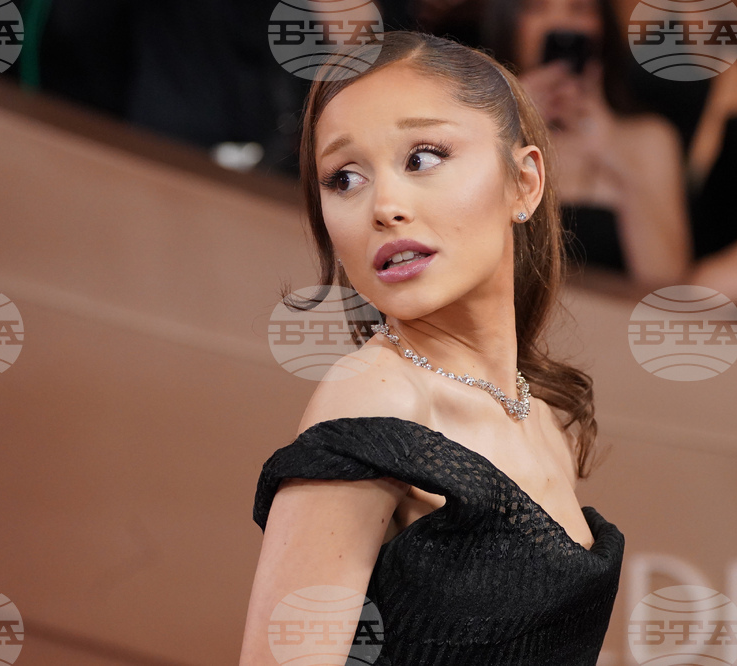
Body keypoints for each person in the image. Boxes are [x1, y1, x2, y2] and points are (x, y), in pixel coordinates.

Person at [239, 31, 624, 665]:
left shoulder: (543, 412)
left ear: (524, 182)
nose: (385, 206)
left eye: (422, 157)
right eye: (345, 178)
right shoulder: (373, 400)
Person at [480, 0, 691, 286]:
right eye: (537, 8)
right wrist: (514, 124)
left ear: (602, 27)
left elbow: (664, 278)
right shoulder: (482, 128)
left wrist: (611, 154)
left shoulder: (648, 137)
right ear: (508, 24)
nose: (560, 23)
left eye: (579, 9)